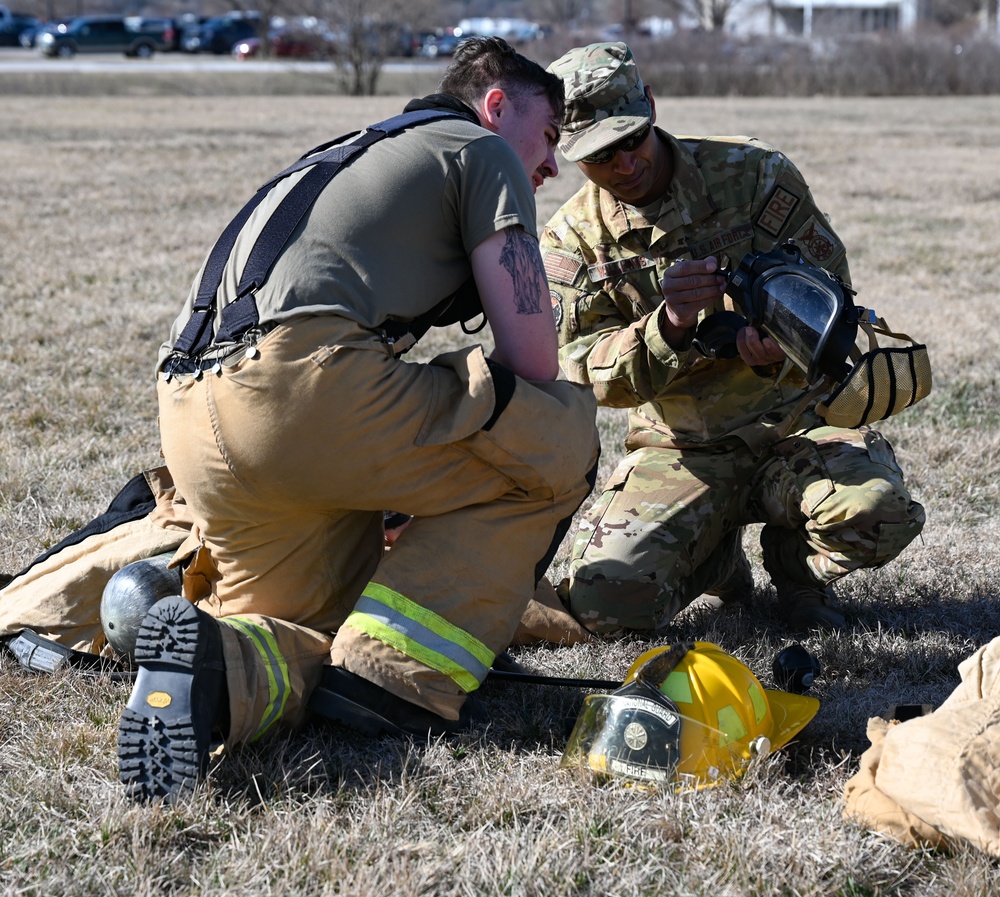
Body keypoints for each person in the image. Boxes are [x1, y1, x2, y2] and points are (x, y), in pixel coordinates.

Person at [118, 37, 600, 802]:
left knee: (309, 627)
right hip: (302, 396)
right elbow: (533, 362)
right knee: (557, 437)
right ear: (496, 105)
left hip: (191, 412)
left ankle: (213, 674)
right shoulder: (483, 150)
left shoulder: (353, 151)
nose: (551, 165)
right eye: (547, 136)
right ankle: (392, 683)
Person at [539, 42, 924, 636]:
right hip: (685, 449)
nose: (622, 165)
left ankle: (796, 569)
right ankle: (715, 555)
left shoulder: (754, 175)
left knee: (879, 516)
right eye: (597, 154)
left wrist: (783, 339)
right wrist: (668, 327)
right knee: (606, 604)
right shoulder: (572, 241)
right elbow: (583, 373)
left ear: (653, 110)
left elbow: (833, 294)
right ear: (569, 153)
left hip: (796, 424)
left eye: (631, 140)